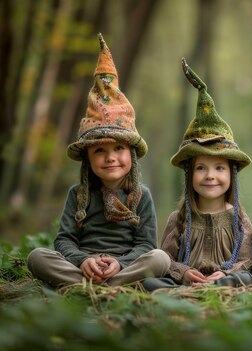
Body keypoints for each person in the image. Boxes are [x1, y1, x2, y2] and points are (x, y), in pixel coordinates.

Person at [26, 34, 170, 288]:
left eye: (118, 149)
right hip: (84, 265)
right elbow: (64, 240)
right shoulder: (79, 195)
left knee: (159, 259)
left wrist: (121, 263)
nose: (110, 157)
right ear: (87, 159)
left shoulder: (140, 195)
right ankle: (97, 282)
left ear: (132, 155)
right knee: (37, 257)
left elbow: (146, 245)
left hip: (124, 266)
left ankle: (103, 284)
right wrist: (83, 260)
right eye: (99, 151)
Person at [141, 59, 252, 292]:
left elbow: (247, 260)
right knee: (150, 282)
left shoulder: (239, 219)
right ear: (189, 174)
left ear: (232, 174)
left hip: (226, 280)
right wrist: (183, 273)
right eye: (201, 168)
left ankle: (221, 285)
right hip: (185, 284)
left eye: (219, 168)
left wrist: (225, 273)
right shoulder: (178, 219)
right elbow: (166, 259)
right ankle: (184, 292)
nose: (210, 176)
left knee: (248, 279)